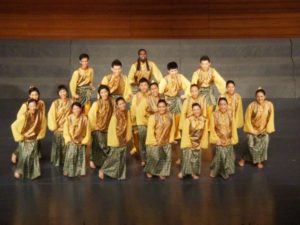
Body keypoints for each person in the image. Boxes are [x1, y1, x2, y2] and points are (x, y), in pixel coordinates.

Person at [159, 61, 190, 164]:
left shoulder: (180, 77)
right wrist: (164, 100)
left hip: (176, 101)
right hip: (167, 103)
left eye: (175, 70)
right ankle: (165, 156)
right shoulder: (165, 79)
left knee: (179, 124)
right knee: (166, 125)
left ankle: (179, 156)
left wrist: (185, 95)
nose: (174, 72)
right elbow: (159, 92)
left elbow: (189, 86)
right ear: (168, 71)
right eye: (172, 70)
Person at [239, 88, 275, 169]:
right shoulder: (251, 105)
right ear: (255, 97)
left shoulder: (269, 105)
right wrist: (252, 131)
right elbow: (247, 119)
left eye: (261, 96)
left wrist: (266, 129)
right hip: (252, 129)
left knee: (265, 141)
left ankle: (259, 161)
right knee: (249, 142)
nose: (260, 98)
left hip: (263, 130)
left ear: (265, 96)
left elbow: (271, 118)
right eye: (258, 96)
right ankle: (243, 158)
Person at [11, 99, 47, 179]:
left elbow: (44, 124)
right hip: (25, 140)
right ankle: (19, 171)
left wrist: (40, 136)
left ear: (36, 106)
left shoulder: (40, 114)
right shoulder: (24, 116)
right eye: (31, 106)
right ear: (28, 107)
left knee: (33, 157)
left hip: (34, 140)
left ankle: (34, 172)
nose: (33, 107)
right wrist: (19, 137)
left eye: (34, 105)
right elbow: (13, 126)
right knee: (24, 156)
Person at [98, 97, 132, 180]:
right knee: (113, 157)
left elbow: (129, 125)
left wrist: (128, 137)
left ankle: (119, 174)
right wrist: (115, 141)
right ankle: (102, 170)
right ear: (117, 105)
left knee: (121, 158)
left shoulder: (127, 112)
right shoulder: (115, 115)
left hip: (123, 138)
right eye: (120, 104)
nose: (122, 105)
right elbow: (112, 129)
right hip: (116, 139)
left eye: (123, 103)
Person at [12, 86, 46, 164]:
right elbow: (19, 116)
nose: (34, 96)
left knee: (37, 141)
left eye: (36, 94)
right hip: (28, 127)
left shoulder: (41, 103)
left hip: (37, 125)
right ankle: (15, 154)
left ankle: (35, 155)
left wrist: (41, 124)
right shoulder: (26, 105)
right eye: (32, 95)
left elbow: (43, 114)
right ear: (29, 96)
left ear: (39, 95)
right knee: (25, 143)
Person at [144, 99, 176, 180]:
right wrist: (153, 141)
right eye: (159, 107)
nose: (161, 108)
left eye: (163, 107)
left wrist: (171, 139)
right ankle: (149, 171)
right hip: (155, 141)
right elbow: (150, 130)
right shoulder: (153, 117)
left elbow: (173, 128)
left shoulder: (170, 116)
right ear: (157, 107)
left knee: (166, 158)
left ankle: (162, 173)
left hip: (166, 141)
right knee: (155, 158)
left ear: (166, 107)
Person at [191, 56, 226, 126]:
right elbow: (193, 84)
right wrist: (192, 94)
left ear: (209, 63)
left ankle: (210, 127)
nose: (204, 66)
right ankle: (200, 126)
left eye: (206, 64)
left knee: (210, 110)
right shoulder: (196, 73)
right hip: (200, 93)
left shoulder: (212, 71)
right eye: (203, 64)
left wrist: (224, 91)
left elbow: (220, 80)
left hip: (209, 93)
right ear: (200, 64)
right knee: (200, 110)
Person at [210, 97, 238, 180]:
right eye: (221, 104)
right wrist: (217, 140)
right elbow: (212, 129)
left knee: (228, 153)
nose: (222, 106)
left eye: (224, 104)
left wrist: (232, 140)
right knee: (221, 153)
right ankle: (220, 171)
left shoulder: (230, 113)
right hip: (219, 140)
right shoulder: (214, 114)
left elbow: (233, 128)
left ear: (227, 105)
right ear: (218, 105)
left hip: (228, 139)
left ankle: (225, 169)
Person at [178, 103, 208, 179]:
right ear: (192, 111)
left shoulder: (204, 120)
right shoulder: (188, 120)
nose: (196, 111)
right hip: (189, 142)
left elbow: (204, 133)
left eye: (198, 109)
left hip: (198, 142)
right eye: (194, 109)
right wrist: (189, 144)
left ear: (200, 110)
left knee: (196, 158)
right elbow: (185, 134)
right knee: (187, 157)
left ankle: (193, 173)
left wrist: (202, 143)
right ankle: (183, 171)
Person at [88, 85, 114, 169]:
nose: (104, 94)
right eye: (102, 92)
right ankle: (92, 160)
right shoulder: (97, 103)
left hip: (108, 127)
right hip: (97, 128)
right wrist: (94, 127)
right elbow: (91, 116)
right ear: (99, 94)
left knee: (106, 145)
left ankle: (104, 161)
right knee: (97, 144)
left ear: (108, 92)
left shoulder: (112, 102)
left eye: (105, 92)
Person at [63, 102, 91, 177]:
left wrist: (83, 141)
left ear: (81, 109)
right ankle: (68, 170)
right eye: (74, 108)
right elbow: (66, 130)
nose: (76, 110)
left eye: (78, 108)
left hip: (81, 141)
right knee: (70, 156)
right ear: (72, 110)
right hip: (71, 140)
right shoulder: (69, 118)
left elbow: (88, 131)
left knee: (80, 157)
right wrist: (69, 139)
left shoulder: (85, 118)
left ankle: (80, 171)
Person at [48, 85, 72, 166]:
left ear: (67, 92)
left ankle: (67, 160)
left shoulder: (71, 101)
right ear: (58, 93)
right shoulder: (55, 103)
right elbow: (51, 115)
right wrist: (54, 126)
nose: (63, 93)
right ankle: (57, 159)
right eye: (61, 92)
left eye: (64, 91)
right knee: (58, 146)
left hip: (68, 128)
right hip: (58, 128)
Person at [130, 78, 150, 166]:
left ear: (148, 85)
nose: (143, 87)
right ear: (139, 86)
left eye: (145, 85)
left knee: (151, 142)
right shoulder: (136, 96)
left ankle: (151, 158)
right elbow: (133, 110)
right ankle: (143, 159)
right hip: (141, 122)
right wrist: (134, 123)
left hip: (151, 122)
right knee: (142, 142)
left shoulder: (151, 94)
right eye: (141, 85)